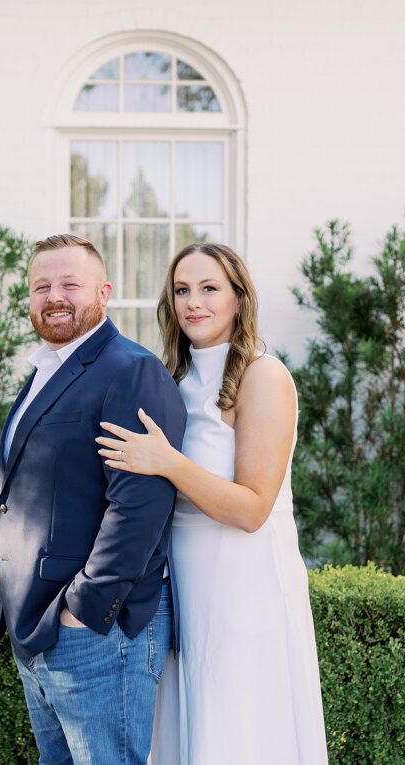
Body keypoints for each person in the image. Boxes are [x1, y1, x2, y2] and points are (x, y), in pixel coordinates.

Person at [94, 243, 327, 764]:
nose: (193, 302)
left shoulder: (262, 376)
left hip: (246, 592)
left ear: (239, 299)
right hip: (185, 593)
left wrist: (167, 461)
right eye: (182, 290)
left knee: (238, 733)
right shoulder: (173, 381)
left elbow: (251, 509)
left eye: (209, 288)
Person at [0, 234, 187, 765]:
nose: (55, 296)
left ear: (104, 292)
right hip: (37, 626)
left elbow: (139, 506)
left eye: (70, 284)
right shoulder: (43, 372)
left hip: (96, 630)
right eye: (41, 286)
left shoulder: (131, 371)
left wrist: (83, 609)